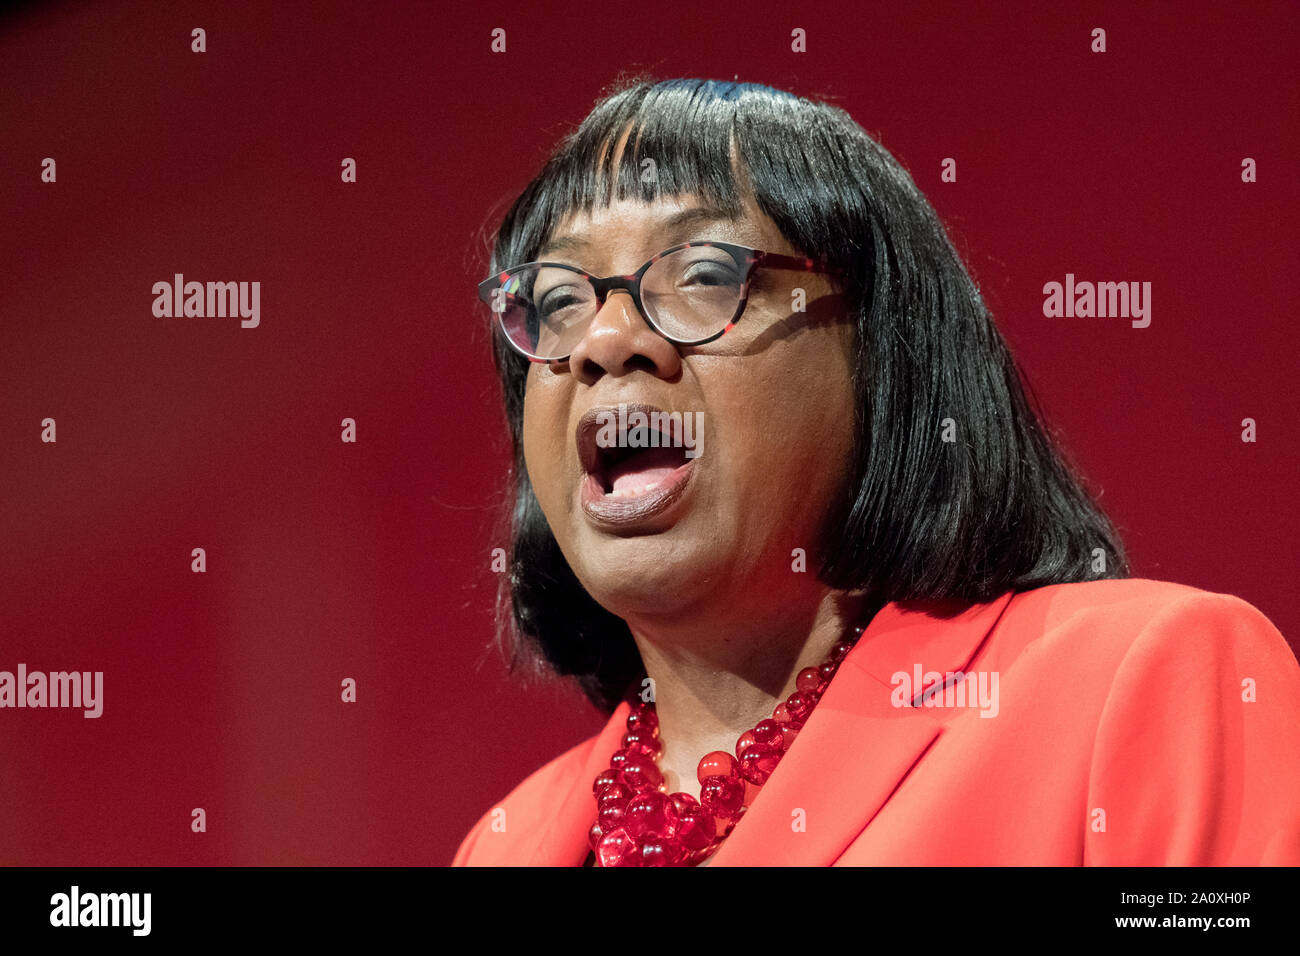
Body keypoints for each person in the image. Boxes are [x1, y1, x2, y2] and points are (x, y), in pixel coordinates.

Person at [453, 76, 1300, 866]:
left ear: (884, 353)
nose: (604, 340)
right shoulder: (507, 842)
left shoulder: (1146, 684)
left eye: (703, 275)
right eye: (559, 301)